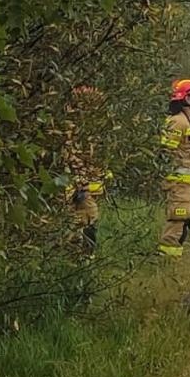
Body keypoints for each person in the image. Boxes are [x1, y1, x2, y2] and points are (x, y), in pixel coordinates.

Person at [158, 78, 190, 258]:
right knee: (178, 219)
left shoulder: (186, 121)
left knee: (183, 221)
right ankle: (167, 261)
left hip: (183, 185)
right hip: (177, 185)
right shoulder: (178, 122)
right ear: (187, 99)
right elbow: (166, 152)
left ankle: (173, 259)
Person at [63, 85, 109, 254]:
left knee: (87, 221)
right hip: (78, 190)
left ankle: (82, 259)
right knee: (83, 222)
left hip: (87, 188)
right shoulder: (73, 129)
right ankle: (80, 260)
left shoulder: (91, 129)